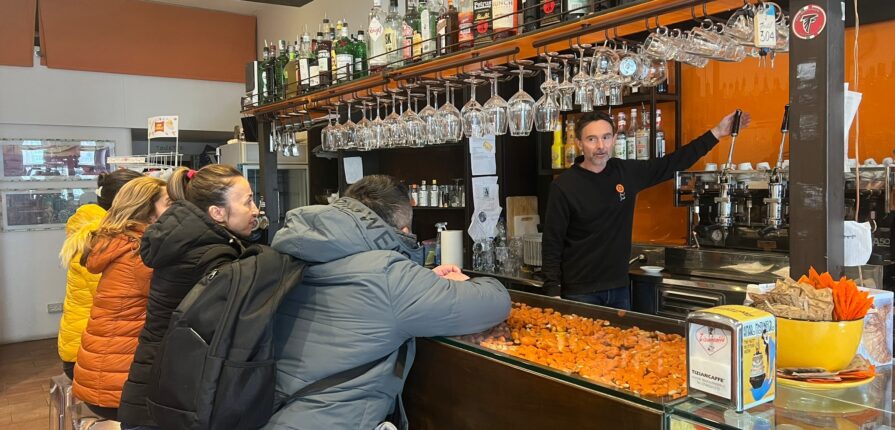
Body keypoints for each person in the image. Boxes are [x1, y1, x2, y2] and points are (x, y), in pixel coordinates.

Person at [266, 175, 511, 430]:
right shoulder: (389, 275)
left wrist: (422, 281)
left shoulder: (292, 250)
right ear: (403, 231)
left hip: (273, 414)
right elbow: (496, 302)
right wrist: (464, 282)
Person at [542, 110, 752, 309]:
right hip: (579, 292)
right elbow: (552, 241)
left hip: (618, 288)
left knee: (621, 347)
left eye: (606, 137)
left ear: (614, 139)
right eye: (591, 139)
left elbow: (672, 163)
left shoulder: (625, 172)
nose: (600, 146)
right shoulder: (564, 185)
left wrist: (717, 132)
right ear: (579, 143)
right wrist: (553, 292)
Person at [117, 165, 259, 429]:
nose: (255, 209)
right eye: (247, 201)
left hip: (154, 386)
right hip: (171, 400)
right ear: (217, 213)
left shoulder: (189, 241)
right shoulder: (211, 256)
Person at [71, 177, 170, 420]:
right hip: (118, 386)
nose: (178, 209)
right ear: (148, 212)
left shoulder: (121, 243)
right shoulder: (140, 252)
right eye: (169, 203)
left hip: (101, 375)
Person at [58, 169, 142, 379]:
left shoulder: (99, 231)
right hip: (90, 355)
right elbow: (117, 296)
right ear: (129, 203)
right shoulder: (99, 238)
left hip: (94, 346)